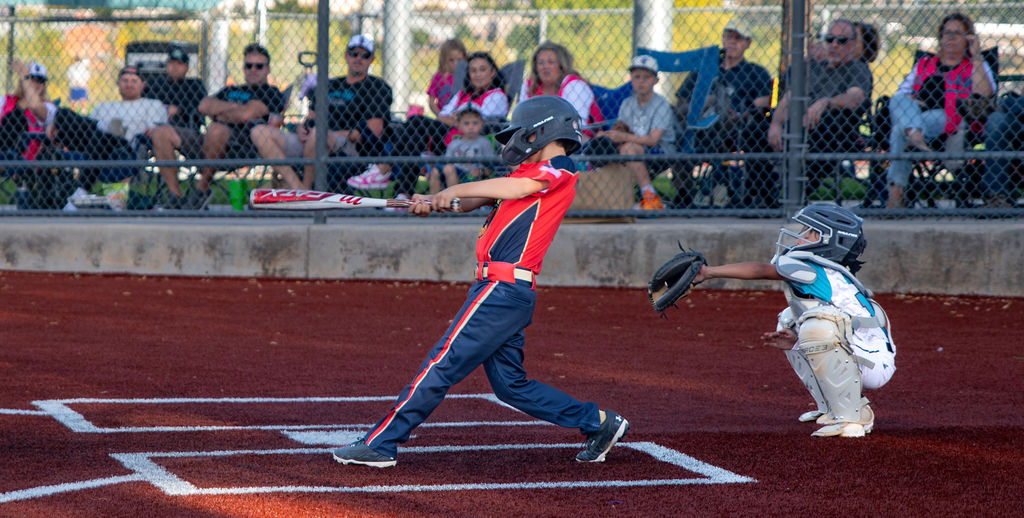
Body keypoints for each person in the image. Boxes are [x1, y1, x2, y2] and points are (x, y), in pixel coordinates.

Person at [331, 96, 629, 468]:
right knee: (510, 386)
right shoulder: (524, 175)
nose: (517, 141)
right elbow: (477, 199)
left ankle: (382, 442)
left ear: (544, 131)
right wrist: (432, 201)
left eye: (524, 133)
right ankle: (598, 423)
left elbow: (513, 189)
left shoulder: (560, 168)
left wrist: (453, 190)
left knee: (442, 362)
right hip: (501, 292)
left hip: (502, 290)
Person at [692, 203, 895, 438]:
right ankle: (832, 408)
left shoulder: (812, 269)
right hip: (863, 352)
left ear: (826, 239)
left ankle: (854, 415)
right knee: (790, 320)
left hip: (872, 361)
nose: (800, 236)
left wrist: (708, 272)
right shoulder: (824, 269)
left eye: (808, 232)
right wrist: (798, 341)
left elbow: (760, 270)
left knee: (817, 326)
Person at [351, 51, 506, 195]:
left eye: (482, 69)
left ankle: (386, 171)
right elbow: (443, 115)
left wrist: (457, 119)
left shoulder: (496, 96)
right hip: (447, 139)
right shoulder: (463, 94)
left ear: (492, 72)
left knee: (417, 124)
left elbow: (477, 122)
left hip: (469, 145)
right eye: (473, 70)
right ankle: (402, 193)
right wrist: (458, 120)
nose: (477, 74)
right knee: (414, 132)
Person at [252, 34, 392, 193]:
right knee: (259, 132)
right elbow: (310, 117)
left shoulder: (377, 87)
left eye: (364, 55)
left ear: (372, 59)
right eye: (354, 53)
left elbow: (374, 131)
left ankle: (305, 190)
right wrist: (302, 128)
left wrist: (327, 133)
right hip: (312, 141)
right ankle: (296, 186)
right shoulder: (330, 85)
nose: (358, 58)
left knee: (318, 135)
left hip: (348, 146)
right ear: (346, 56)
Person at [885, 12, 995, 208]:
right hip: (919, 114)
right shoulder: (925, 64)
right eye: (946, 32)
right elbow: (902, 94)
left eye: (957, 33)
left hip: (951, 118)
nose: (950, 37)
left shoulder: (975, 65)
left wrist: (977, 55)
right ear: (940, 37)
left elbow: (985, 94)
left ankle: (896, 193)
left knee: (900, 129)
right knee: (898, 102)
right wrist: (912, 101)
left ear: (968, 39)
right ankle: (915, 134)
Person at [768, 19, 873, 199]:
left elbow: (854, 98)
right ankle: (760, 198)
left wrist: (826, 102)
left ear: (853, 44)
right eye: (830, 39)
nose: (834, 45)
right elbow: (789, 97)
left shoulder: (858, 69)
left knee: (820, 122)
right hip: (798, 123)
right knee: (754, 127)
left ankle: (797, 194)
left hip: (834, 130)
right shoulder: (812, 68)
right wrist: (776, 124)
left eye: (841, 40)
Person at [674, 18, 773, 208]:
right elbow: (681, 103)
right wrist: (704, 104)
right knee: (679, 131)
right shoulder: (704, 70)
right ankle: (684, 194)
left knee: (756, 130)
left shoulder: (755, 72)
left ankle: (754, 194)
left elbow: (764, 103)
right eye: (729, 37)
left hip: (736, 128)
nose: (732, 42)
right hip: (700, 127)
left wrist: (742, 114)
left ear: (748, 43)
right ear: (723, 39)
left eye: (738, 38)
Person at [48, 65, 167, 206]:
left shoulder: (152, 104)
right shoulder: (104, 105)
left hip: (125, 147)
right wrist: (54, 125)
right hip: (91, 142)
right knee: (63, 113)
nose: (129, 84)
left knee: (104, 136)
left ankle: (82, 190)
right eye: (125, 80)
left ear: (143, 85)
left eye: (134, 81)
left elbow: (155, 130)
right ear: (118, 83)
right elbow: (84, 127)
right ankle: (102, 125)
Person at [188, 43, 285, 209]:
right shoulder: (231, 89)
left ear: (268, 69)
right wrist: (236, 108)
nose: (253, 70)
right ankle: (175, 197)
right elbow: (204, 106)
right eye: (248, 65)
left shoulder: (271, 93)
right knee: (165, 132)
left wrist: (220, 112)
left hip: (246, 144)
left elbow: (245, 115)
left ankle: (202, 188)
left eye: (259, 66)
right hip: (212, 144)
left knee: (216, 128)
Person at [588, 55, 676, 210]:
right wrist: (607, 136)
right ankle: (611, 199)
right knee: (606, 146)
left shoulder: (661, 104)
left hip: (662, 150)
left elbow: (653, 140)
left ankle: (650, 198)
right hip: (632, 147)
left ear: (656, 80)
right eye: (637, 77)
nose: (641, 81)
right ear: (631, 79)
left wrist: (622, 136)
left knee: (628, 148)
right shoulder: (628, 103)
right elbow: (621, 128)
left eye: (646, 77)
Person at [142, 46, 208, 208]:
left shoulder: (195, 85)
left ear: (186, 67)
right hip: (155, 131)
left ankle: (175, 195)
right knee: (158, 134)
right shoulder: (155, 85)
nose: (174, 67)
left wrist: (178, 110)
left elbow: (200, 110)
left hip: (186, 132)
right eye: (171, 63)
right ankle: (174, 195)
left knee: (161, 133)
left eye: (179, 64)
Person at [519, 41, 603, 135]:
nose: (545, 67)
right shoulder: (529, 85)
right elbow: (520, 119)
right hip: (538, 136)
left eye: (551, 62)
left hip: (579, 137)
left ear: (561, 65)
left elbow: (576, 125)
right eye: (540, 63)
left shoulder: (575, 84)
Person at [427, 105, 496, 194]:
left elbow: (490, 168)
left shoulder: (484, 142)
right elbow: (446, 163)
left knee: (448, 168)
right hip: (453, 172)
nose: (471, 127)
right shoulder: (454, 143)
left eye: (475, 123)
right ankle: (433, 199)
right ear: (459, 125)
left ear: (481, 124)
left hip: (472, 176)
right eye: (466, 123)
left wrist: (481, 171)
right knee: (436, 171)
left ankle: (455, 199)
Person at [0, 61, 57, 160]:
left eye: (40, 80)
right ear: (23, 81)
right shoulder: (5, 101)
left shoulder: (48, 107)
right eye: (32, 79)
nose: (36, 84)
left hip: (33, 160)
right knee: (14, 119)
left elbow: (39, 110)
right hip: (4, 151)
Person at [982, 96, 1024, 208]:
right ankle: (997, 196)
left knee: (1007, 103)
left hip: (1016, 110)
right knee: (996, 119)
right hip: (1018, 118)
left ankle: (1008, 103)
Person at [427, 38, 467, 116]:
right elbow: (431, 102)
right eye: (451, 60)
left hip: (462, 117)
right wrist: (441, 116)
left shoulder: (467, 76)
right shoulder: (439, 77)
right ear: (444, 60)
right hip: (443, 116)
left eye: (459, 59)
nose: (456, 63)